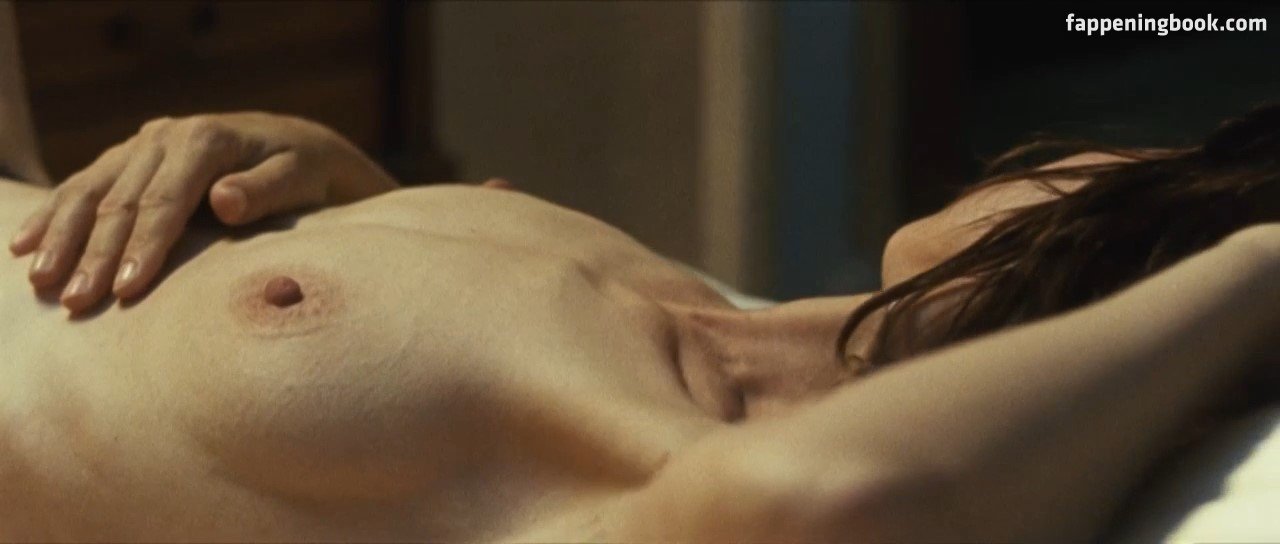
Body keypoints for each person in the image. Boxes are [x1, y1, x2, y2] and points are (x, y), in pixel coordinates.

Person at [2, 4, 1279, 541]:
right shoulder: (672, 294)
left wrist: (1262, 264)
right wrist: (322, 168)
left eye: (1134, 179)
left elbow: (823, 502)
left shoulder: (671, 442)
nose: (1078, 156)